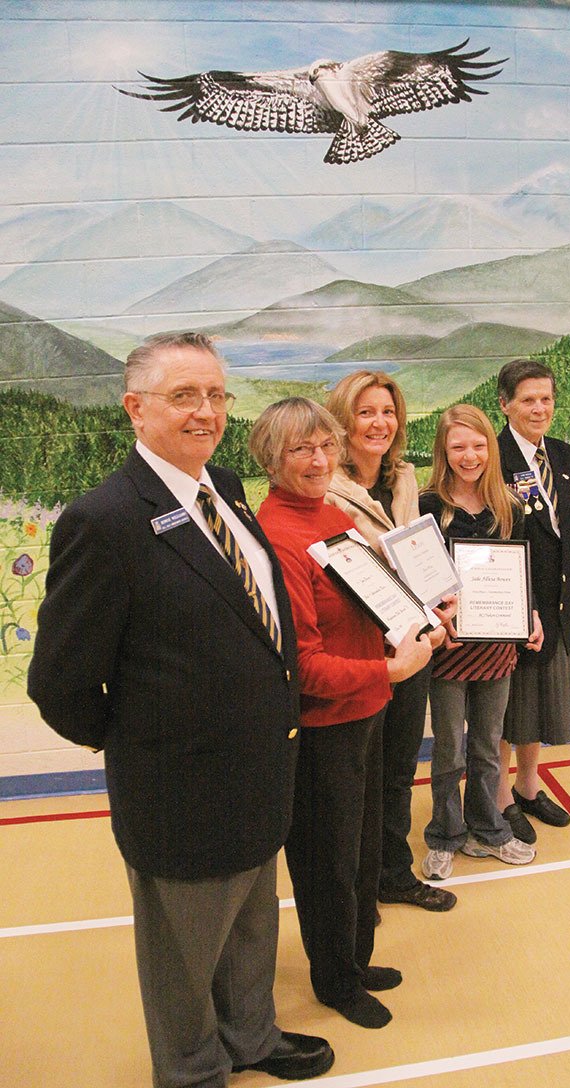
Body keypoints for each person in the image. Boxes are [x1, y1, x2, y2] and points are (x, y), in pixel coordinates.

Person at [27, 333, 334, 1087]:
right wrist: (141, 745)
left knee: (253, 928)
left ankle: (251, 1035)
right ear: (135, 409)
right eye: (184, 396)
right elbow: (59, 683)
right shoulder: (106, 521)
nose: (206, 412)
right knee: (184, 954)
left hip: (260, 771)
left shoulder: (221, 487)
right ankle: (194, 1069)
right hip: (179, 793)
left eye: (217, 396)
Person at [250, 397, 433, 1029]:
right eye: (301, 449)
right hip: (325, 727)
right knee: (326, 863)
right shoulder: (276, 535)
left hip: (368, 712)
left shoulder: (334, 516)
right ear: (273, 459)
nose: (320, 459)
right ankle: (334, 981)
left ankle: (354, 960)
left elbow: (369, 607)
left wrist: (420, 624)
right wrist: (389, 669)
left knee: (359, 854)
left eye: (327, 445)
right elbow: (302, 664)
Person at [325, 370, 457, 913]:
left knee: (400, 768)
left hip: (416, 646)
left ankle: (393, 874)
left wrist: (443, 602)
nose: (379, 423)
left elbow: (419, 558)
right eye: (365, 412)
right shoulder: (326, 486)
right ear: (343, 421)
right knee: (361, 774)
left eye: (387, 411)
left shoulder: (406, 481)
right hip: (366, 653)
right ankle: (356, 885)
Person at [418, 406, 542, 879]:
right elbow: (420, 582)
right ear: (444, 453)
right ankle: (445, 834)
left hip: (498, 651)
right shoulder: (429, 506)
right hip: (449, 652)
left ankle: (487, 830)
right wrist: (435, 621)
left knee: (488, 746)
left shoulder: (509, 506)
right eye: (458, 447)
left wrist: (530, 616)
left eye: (478, 445)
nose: (469, 456)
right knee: (449, 749)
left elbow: (522, 576)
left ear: (491, 448)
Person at [496, 358, 570, 843]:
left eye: (546, 399)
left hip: (559, 606)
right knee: (506, 709)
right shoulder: (490, 459)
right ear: (505, 404)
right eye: (528, 399)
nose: (539, 408)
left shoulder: (566, 457)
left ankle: (528, 787)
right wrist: (519, 608)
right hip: (515, 608)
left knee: (540, 706)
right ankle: (497, 799)